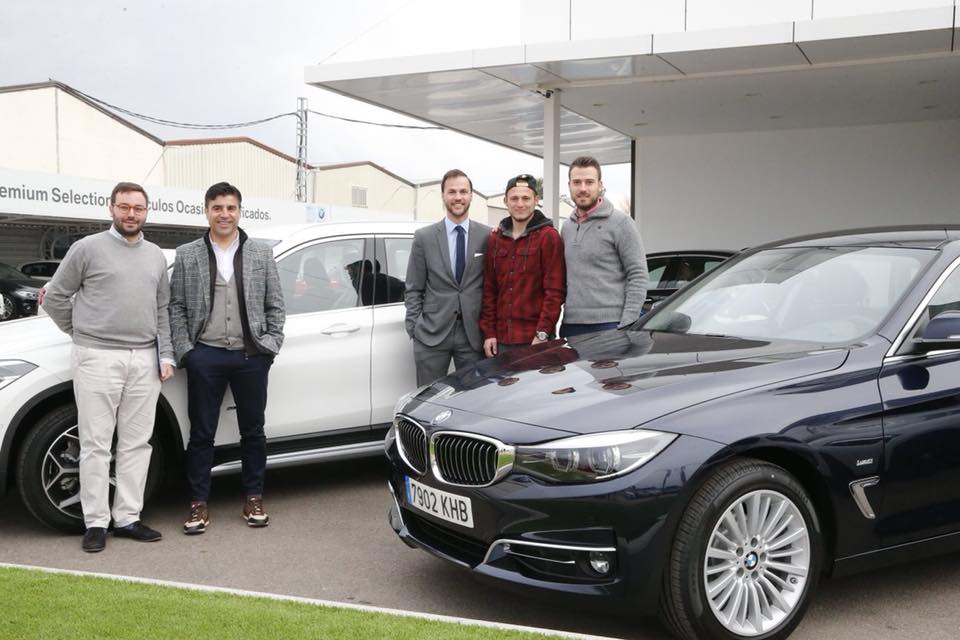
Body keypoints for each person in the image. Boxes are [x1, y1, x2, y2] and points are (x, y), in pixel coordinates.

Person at [43, 181, 174, 553]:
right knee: (96, 445)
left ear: (146, 212)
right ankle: (96, 523)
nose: (131, 214)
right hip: (97, 357)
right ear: (111, 208)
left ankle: (128, 518)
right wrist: (81, 332)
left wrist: (165, 355)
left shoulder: (155, 256)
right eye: (124, 207)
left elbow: (161, 309)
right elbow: (55, 297)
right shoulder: (87, 249)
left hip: (144, 359)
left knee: (137, 443)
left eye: (138, 208)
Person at [169, 182, 285, 535]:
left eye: (230, 208)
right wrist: (187, 352)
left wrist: (270, 345)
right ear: (206, 211)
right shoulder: (187, 254)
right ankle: (198, 504)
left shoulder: (260, 253)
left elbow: (275, 304)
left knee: (254, 431)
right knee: (201, 433)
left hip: (251, 356)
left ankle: (253, 498)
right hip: (205, 355)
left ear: (239, 211)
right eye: (217, 207)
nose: (224, 214)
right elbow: (176, 306)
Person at [405, 169, 490, 386]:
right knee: (429, 398)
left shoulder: (487, 235)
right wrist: (415, 328)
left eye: (463, 191)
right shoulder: (424, 237)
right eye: (452, 192)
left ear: (471, 195)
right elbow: (414, 287)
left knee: (474, 398)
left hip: (472, 335)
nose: (458, 197)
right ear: (443, 195)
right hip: (431, 334)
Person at [561, 156, 648, 337]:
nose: (583, 188)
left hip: (610, 325)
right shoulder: (567, 227)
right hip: (571, 325)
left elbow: (638, 275)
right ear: (569, 185)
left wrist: (628, 323)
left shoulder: (621, 223)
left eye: (589, 182)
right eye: (577, 182)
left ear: (600, 185)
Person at [480, 174, 565, 356]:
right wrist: (489, 333)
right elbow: (489, 290)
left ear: (536, 200)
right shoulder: (495, 239)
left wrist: (542, 334)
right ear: (505, 201)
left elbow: (555, 292)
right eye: (514, 198)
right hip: (500, 341)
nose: (520, 204)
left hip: (535, 340)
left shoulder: (549, 237)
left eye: (526, 198)